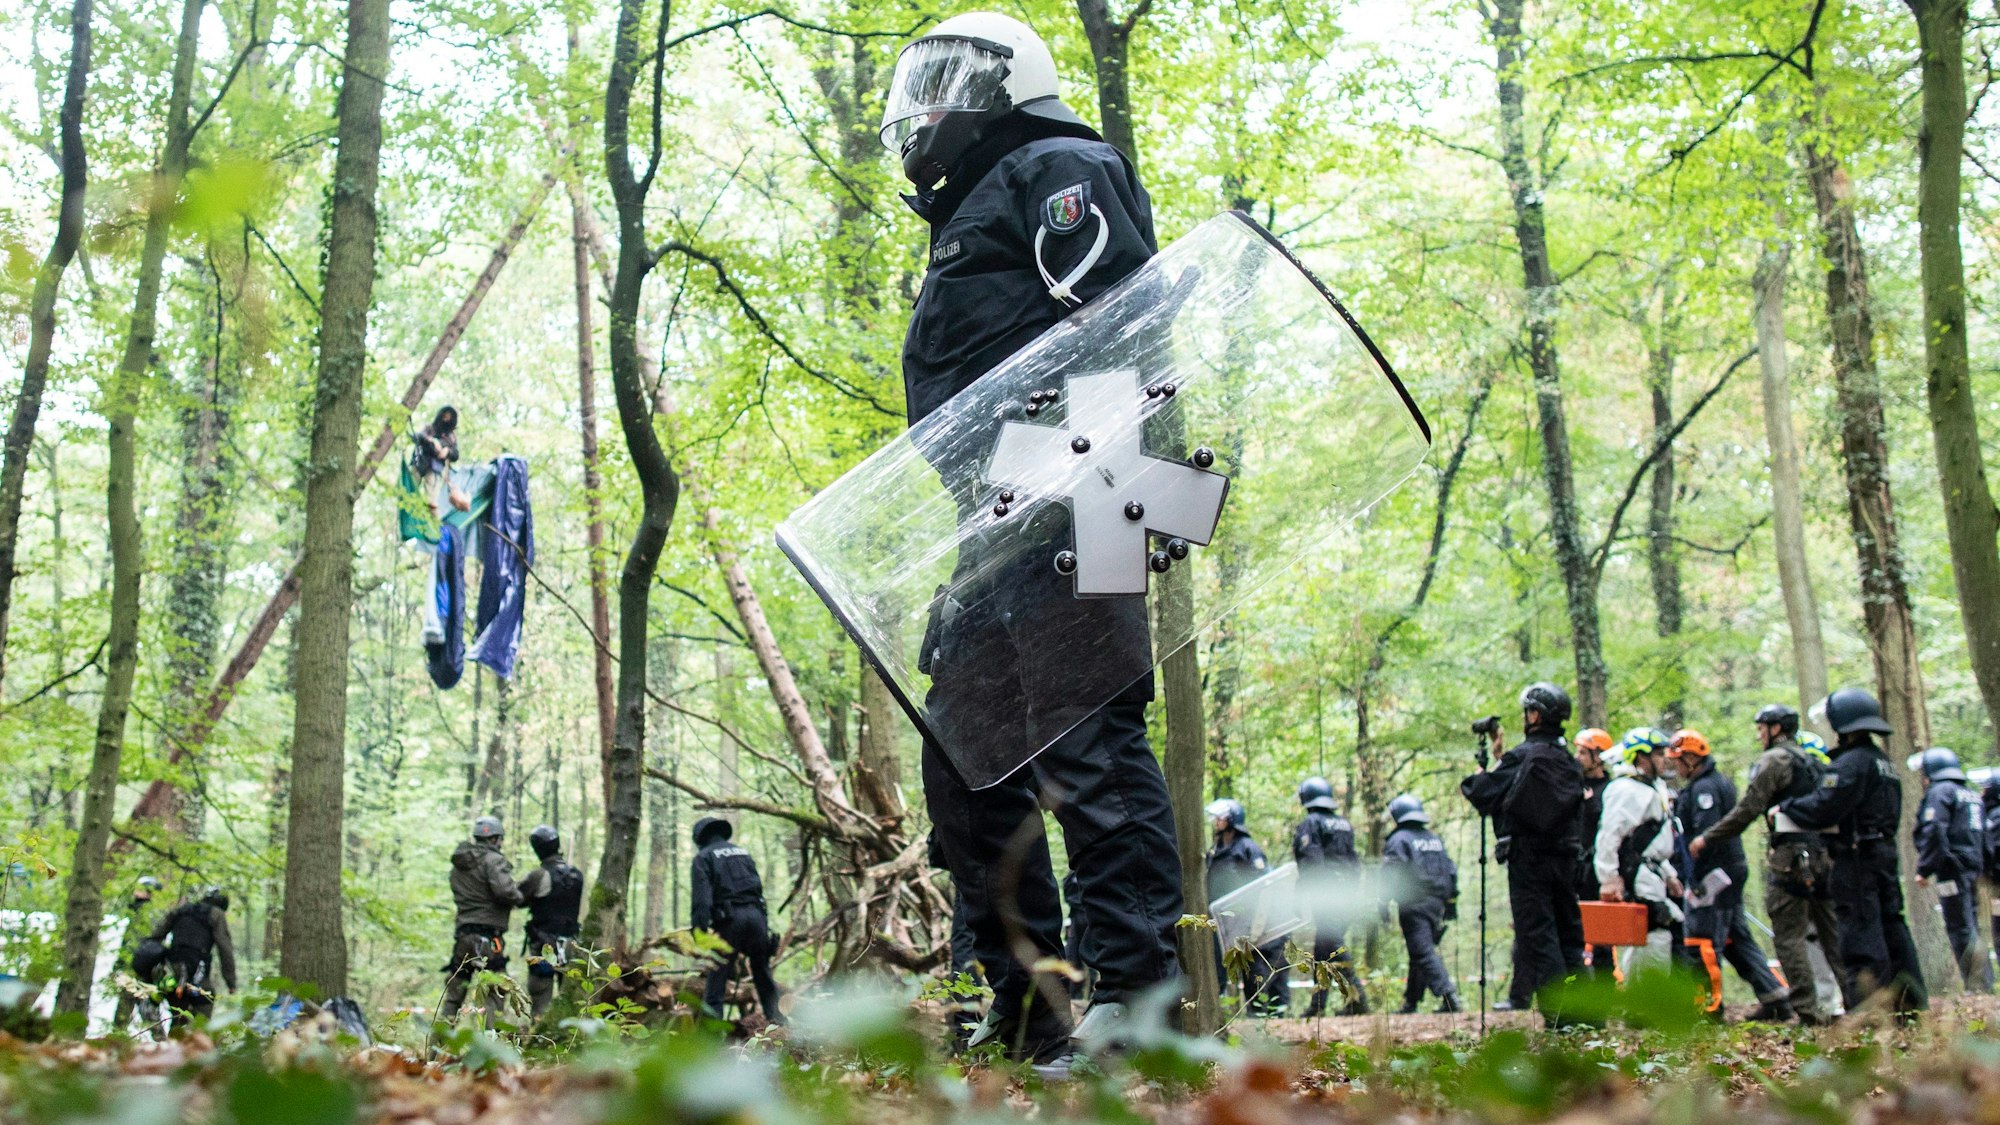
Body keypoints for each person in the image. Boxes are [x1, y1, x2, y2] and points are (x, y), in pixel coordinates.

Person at [887, 11, 1181, 1071]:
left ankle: (1136, 1006)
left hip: (1083, 488)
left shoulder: (1058, 164)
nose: (924, 106)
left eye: (945, 83)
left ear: (1006, 83)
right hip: (995, 517)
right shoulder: (973, 207)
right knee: (967, 755)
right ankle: (1021, 1002)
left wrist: (1142, 491)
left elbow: (1125, 324)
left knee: (1088, 749)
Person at [1779, 688, 1927, 1017]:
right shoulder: (1882, 761)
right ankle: (1910, 1005)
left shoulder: (1850, 763)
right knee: (1893, 929)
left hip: (1857, 859)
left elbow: (1824, 807)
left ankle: (1869, 1012)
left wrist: (1788, 808)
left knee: (1860, 933)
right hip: (1882, 855)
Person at [1690, 705, 1841, 1024]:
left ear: (1776, 729)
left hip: (1790, 860)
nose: (1759, 734)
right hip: (1823, 856)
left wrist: (1708, 837)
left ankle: (1808, 1011)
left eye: (1762, 728)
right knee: (1831, 933)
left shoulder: (1774, 761)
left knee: (1788, 935)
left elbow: (1748, 808)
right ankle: (1854, 1000)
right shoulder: (1810, 760)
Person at [1461, 682, 1586, 1022]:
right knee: (1570, 935)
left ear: (1534, 715)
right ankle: (1588, 1016)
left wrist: (1484, 766)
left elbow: (1481, 791)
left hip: (1528, 862)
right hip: (1565, 859)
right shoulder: (1569, 762)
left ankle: (1561, 1017)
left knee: (1539, 936)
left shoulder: (1523, 756)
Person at [1669, 728, 1792, 1020]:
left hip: (1714, 874)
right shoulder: (1709, 783)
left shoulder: (1705, 789)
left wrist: (1695, 878)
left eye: (1677, 760)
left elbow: (1706, 837)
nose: (1673, 766)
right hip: (1727, 871)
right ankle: (1774, 997)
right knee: (1736, 939)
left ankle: (1707, 1008)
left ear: (1690, 758)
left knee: (1702, 939)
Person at [1594, 728, 1686, 979]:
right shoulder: (1625, 790)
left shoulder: (1651, 788)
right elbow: (1609, 836)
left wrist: (1668, 874)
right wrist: (1609, 878)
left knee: (1660, 933)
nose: (1664, 759)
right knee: (1651, 933)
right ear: (1640, 758)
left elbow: (1654, 842)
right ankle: (1642, 1006)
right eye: (1657, 754)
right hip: (1638, 875)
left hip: (1653, 872)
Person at [1910, 747, 1989, 992]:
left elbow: (1935, 830)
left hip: (1952, 870)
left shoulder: (1940, 792)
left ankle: (1977, 987)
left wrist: (1925, 867)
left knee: (1960, 926)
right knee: (1972, 924)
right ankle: (1983, 984)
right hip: (1973, 867)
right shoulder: (1970, 794)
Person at [691, 817, 783, 1024]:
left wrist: (699, 932)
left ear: (699, 839)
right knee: (763, 974)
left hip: (729, 921)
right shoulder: (743, 853)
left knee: (716, 979)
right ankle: (779, 1027)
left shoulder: (703, 857)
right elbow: (758, 891)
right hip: (757, 918)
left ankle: (710, 1039)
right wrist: (764, 928)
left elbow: (702, 900)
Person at [1292, 776, 1368, 1016]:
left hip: (1326, 894)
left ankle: (1358, 999)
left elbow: (1311, 863)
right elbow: (1353, 860)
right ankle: (1317, 1006)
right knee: (1322, 951)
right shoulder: (1343, 823)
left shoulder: (1311, 823)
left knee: (1334, 945)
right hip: (1347, 894)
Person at [1206, 798, 1286, 1017]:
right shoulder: (1215, 850)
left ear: (1231, 819)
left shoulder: (1247, 848)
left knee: (1253, 966)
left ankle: (1260, 1013)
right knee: (1220, 966)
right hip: (1221, 921)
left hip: (1247, 919)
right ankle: (1220, 1013)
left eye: (1220, 817)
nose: (1216, 822)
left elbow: (1264, 884)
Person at [1382, 794, 1461, 1013]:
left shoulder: (1399, 840)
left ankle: (1448, 996)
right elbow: (1451, 871)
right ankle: (1411, 1001)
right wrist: (1452, 903)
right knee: (1421, 950)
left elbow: (1391, 874)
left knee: (1422, 951)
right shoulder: (1434, 839)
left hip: (1414, 904)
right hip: (1438, 903)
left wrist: (1383, 902)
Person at [441, 815, 524, 1023]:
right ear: (495, 839)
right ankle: (490, 1048)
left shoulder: (458, 865)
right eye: (500, 839)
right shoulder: (493, 860)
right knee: (496, 991)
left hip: (463, 937)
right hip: (488, 939)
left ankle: (434, 1051)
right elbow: (505, 891)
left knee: (454, 995)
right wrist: (521, 897)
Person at [518, 824, 584, 1018]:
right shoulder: (576, 874)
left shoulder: (539, 876)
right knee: (572, 1000)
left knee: (540, 1001)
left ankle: (540, 1040)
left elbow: (517, 898)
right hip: (572, 944)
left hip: (544, 946)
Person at [151, 886, 236, 1031]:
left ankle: (171, 1049)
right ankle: (198, 1048)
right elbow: (225, 949)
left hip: (173, 971)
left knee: (178, 1018)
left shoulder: (182, 910)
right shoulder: (217, 914)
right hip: (198, 973)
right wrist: (231, 982)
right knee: (203, 1015)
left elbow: (156, 936)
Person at [1572, 728, 1615, 979]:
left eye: (1582, 753)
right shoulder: (1574, 787)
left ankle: (1606, 986)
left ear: (1598, 757)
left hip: (1597, 871)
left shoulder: (1611, 790)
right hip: (1574, 869)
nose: (1577, 757)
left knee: (1602, 936)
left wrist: (1590, 806)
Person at [113, 874, 164, 1034]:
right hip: (132, 970)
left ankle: (165, 1050)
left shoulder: (149, 913)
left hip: (142, 971)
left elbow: (146, 945)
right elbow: (127, 943)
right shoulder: (137, 912)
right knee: (123, 1015)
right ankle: (116, 1046)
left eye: (142, 890)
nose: (136, 893)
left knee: (147, 1013)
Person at [412, 404, 470, 515]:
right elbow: (417, 436)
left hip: (435, 469)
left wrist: (447, 451)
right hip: (420, 462)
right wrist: (432, 441)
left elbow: (455, 454)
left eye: (449, 417)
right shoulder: (429, 428)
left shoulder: (451, 437)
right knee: (410, 489)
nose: (446, 419)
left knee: (430, 501)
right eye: (444, 416)